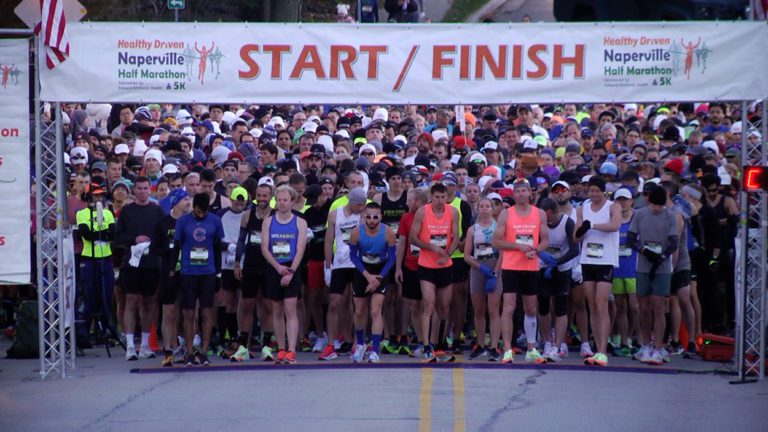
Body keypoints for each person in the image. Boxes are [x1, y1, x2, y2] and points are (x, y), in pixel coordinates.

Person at [493, 178, 549, 364]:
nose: (521, 194)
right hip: (510, 266)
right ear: (513, 194)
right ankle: (507, 349)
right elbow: (496, 242)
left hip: (530, 266)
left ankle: (532, 347)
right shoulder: (505, 214)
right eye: (517, 191)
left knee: (531, 307)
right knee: (509, 307)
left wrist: (536, 250)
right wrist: (518, 246)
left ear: (530, 193)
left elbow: (545, 240)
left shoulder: (539, 213)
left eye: (524, 190)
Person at [114, 177, 165, 361]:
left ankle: (144, 345)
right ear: (134, 190)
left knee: (149, 303)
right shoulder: (126, 211)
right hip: (131, 263)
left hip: (151, 263)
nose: (143, 192)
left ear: (149, 190)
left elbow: (163, 236)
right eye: (139, 188)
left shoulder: (157, 211)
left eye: (145, 188)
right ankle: (129, 346)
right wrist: (134, 240)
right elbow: (118, 237)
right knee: (131, 301)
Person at [628, 185, 679, 365]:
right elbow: (631, 238)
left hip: (662, 266)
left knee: (659, 306)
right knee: (643, 306)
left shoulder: (670, 216)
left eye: (660, 205)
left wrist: (662, 256)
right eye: (655, 205)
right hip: (643, 264)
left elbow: (674, 242)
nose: (657, 209)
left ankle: (658, 347)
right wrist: (643, 250)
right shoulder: (641, 214)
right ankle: (645, 344)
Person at [409, 182, 460, 362]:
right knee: (429, 304)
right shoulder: (423, 212)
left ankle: (439, 344)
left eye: (443, 197)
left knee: (444, 306)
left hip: (444, 264)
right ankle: (426, 345)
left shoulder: (453, 212)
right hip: (426, 264)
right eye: (437, 197)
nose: (440, 201)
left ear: (447, 197)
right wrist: (430, 246)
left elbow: (455, 237)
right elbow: (413, 237)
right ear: (431, 196)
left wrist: (447, 254)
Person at [574, 176, 621, 367]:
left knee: (602, 304)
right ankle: (595, 348)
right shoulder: (581, 209)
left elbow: (615, 226)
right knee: (592, 304)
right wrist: (582, 229)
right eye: (590, 191)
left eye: (596, 190)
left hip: (606, 260)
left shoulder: (612, 206)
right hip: (587, 261)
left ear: (603, 191)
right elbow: (576, 238)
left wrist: (592, 225)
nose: (593, 194)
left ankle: (603, 350)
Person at [174, 192, 226, 366]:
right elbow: (176, 248)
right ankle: (189, 351)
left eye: (204, 212)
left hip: (208, 273)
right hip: (188, 272)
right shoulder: (183, 221)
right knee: (188, 313)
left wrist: (218, 274)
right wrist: (174, 271)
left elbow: (218, 248)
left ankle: (203, 351)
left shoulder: (215, 221)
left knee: (206, 311)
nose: (201, 214)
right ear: (193, 206)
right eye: (198, 211)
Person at [260, 185, 307, 365]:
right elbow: (264, 248)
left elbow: (300, 249)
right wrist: (278, 268)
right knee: (277, 310)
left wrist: (291, 271)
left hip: (292, 267)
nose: (282, 203)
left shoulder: (299, 222)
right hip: (274, 267)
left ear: (292, 201)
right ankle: (280, 349)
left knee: (290, 309)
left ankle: (292, 350)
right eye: (279, 200)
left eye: (285, 200)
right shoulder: (268, 222)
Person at [321, 187, 367, 360]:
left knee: (358, 305)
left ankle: (358, 343)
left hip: (357, 263)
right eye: (359, 205)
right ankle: (331, 344)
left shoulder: (363, 215)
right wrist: (328, 266)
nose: (362, 208)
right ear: (352, 202)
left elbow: (365, 236)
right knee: (335, 302)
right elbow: (328, 240)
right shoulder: (335, 214)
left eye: (363, 205)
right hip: (339, 264)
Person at [348, 202, 397, 363]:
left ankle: (375, 350)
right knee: (360, 310)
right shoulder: (356, 232)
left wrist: (378, 279)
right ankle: (361, 344)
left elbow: (391, 259)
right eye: (368, 217)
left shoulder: (388, 232)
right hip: (362, 270)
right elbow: (353, 257)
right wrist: (368, 277)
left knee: (375, 310)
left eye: (375, 217)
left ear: (380, 217)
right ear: (364, 217)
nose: (371, 220)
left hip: (381, 270)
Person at [234, 181, 275, 361]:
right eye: (259, 196)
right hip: (250, 264)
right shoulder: (247, 215)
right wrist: (237, 263)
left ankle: (266, 345)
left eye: (265, 196)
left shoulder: (275, 216)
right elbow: (241, 240)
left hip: (269, 265)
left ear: (271, 197)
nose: (261, 199)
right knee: (247, 305)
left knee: (267, 306)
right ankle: (243, 345)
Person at [537, 197, 579, 362]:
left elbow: (574, 249)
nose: (548, 221)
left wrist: (556, 263)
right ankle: (547, 341)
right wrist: (542, 256)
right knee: (543, 306)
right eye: (545, 218)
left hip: (562, 267)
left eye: (551, 218)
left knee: (561, 307)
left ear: (556, 212)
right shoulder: (538, 222)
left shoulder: (567, 223)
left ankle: (559, 345)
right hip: (542, 266)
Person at [76, 182, 116, 353]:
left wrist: (101, 233)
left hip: (105, 258)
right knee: (90, 298)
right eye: (95, 195)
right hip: (89, 259)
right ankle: (82, 334)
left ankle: (107, 331)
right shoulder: (82, 213)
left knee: (107, 297)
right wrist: (102, 233)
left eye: (101, 195)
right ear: (88, 197)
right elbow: (86, 234)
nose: (98, 198)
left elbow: (112, 234)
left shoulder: (108, 213)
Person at [153, 189, 191, 366]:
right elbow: (154, 249)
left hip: (188, 272)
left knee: (187, 312)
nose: (188, 202)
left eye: (189, 199)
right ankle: (168, 349)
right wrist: (171, 249)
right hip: (168, 273)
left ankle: (186, 348)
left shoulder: (191, 222)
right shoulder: (163, 223)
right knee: (168, 312)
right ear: (175, 202)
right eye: (185, 200)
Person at [463, 198, 502, 362]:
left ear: (493, 209)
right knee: (478, 310)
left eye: (488, 206)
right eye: (482, 206)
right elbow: (466, 255)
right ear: (477, 209)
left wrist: (494, 273)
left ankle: (494, 346)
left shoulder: (498, 228)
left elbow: (503, 253)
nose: (485, 209)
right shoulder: (473, 229)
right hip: (478, 269)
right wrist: (480, 268)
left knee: (493, 309)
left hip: (494, 268)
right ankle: (480, 344)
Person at [216, 187, 250, 359]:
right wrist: (227, 247)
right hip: (226, 264)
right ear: (230, 198)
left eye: (242, 201)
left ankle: (244, 340)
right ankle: (233, 338)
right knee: (229, 302)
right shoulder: (221, 215)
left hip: (245, 264)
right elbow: (214, 238)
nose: (239, 204)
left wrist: (242, 250)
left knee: (245, 303)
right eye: (237, 200)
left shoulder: (249, 214)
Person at [395, 188, 428, 357]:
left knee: (428, 305)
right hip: (410, 266)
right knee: (414, 306)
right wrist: (398, 267)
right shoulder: (406, 217)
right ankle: (422, 342)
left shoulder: (430, 216)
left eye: (409, 199)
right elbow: (401, 243)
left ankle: (431, 341)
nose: (406, 202)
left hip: (429, 266)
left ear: (419, 202)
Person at [610, 188, 639, 358]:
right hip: (617, 269)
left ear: (631, 201)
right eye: (619, 200)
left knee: (635, 307)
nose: (622, 203)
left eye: (625, 199)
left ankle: (639, 340)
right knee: (620, 307)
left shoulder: (637, 219)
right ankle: (624, 341)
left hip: (633, 270)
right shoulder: (613, 220)